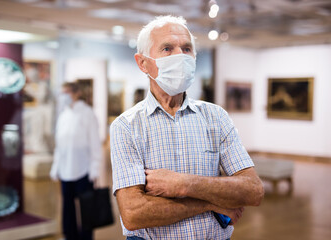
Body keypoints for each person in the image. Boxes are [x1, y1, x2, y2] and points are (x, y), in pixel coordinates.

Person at [110, 15, 264, 240]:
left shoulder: (216, 117)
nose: (179, 56)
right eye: (167, 48)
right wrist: (209, 202)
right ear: (143, 63)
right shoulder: (126, 126)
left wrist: (182, 184)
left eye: (186, 48)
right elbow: (134, 214)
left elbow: (253, 191)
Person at [50, 82, 102, 240]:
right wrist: (55, 166)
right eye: (61, 93)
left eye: (65, 92)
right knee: (67, 205)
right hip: (65, 169)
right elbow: (59, 144)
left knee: (86, 206)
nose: (63, 96)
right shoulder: (63, 115)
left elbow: (95, 143)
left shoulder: (87, 113)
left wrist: (95, 168)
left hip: (83, 169)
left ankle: (86, 237)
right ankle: (69, 235)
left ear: (76, 93)